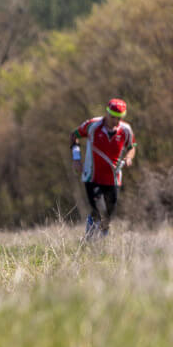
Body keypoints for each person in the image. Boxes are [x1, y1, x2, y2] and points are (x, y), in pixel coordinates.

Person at [70, 98, 137, 240]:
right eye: (113, 117)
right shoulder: (92, 125)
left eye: (119, 118)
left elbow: (132, 147)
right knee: (99, 208)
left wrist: (128, 158)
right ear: (107, 113)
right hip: (92, 176)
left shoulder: (126, 130)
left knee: (109, 213)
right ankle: (91, 241)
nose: (115, 121)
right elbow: (74, 135)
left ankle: (100, 239)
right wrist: (76, 158)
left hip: (113, 178)